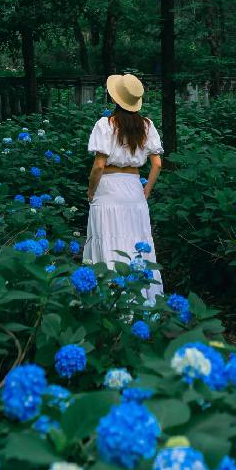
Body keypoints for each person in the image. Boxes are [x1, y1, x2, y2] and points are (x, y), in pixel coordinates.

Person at [83, 72, 163, 300]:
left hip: (108, 189)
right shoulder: (147, 126)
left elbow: (99, 166)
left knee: (108, 240)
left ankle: (110, 303)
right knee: (137, 242)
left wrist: (91, 191)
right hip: (134, 189)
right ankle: (144, 302)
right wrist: (146, 190)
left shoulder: (105, 124)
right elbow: (157, 164)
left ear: (116, 99)